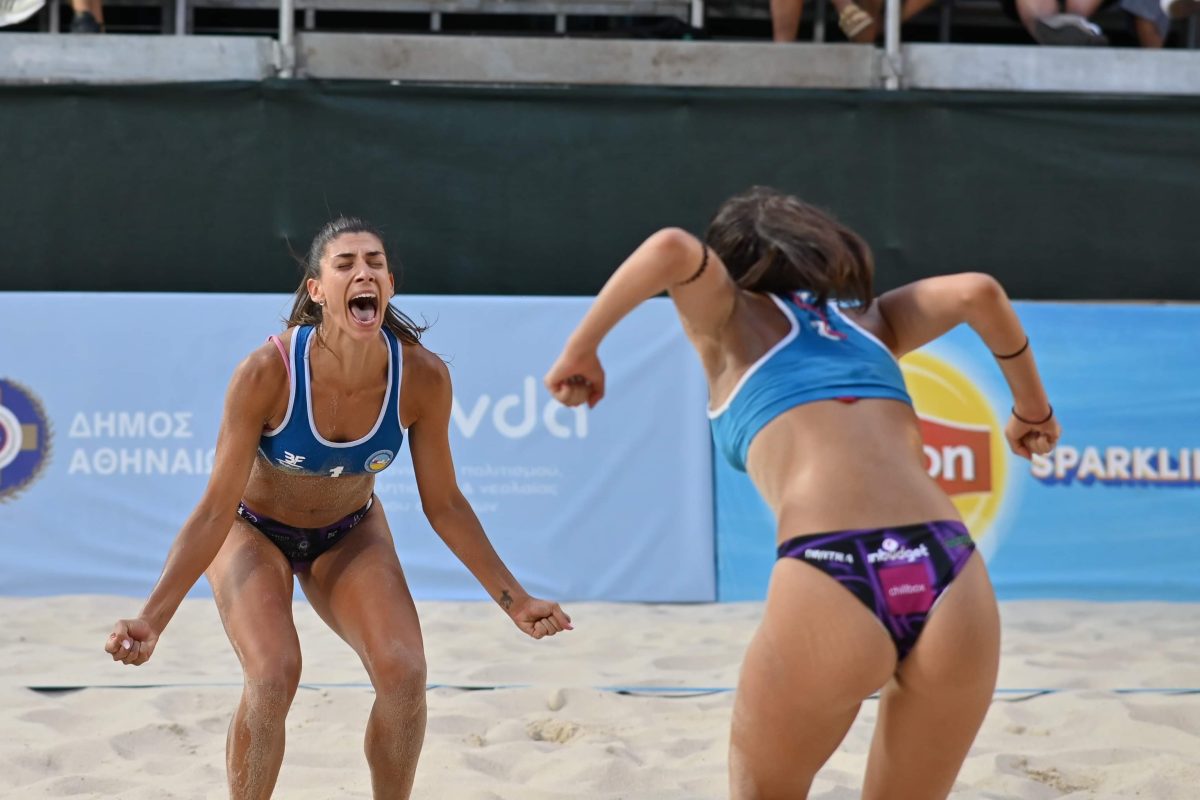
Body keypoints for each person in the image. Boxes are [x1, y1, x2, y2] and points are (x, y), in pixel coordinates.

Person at [545, 186, 1059, 800]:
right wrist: (1032, 410)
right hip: (950, 570)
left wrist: (583, 349)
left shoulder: (732, 323)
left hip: (835, 569)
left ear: (731, 267)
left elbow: (672, 247)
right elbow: (979, 291)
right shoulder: (872, 322)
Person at [104, 217, 572, 800]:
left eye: (374, 262)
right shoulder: (267, 372)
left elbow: (446, 504)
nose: (363, 271)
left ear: (390, 286)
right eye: (345, 263)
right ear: (317, 290)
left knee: (405, 676)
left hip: (349, 532)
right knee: (274, 676)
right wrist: (153, 618)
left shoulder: (421, 376)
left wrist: (515, 598)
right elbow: (212, 511)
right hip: (252, 531)